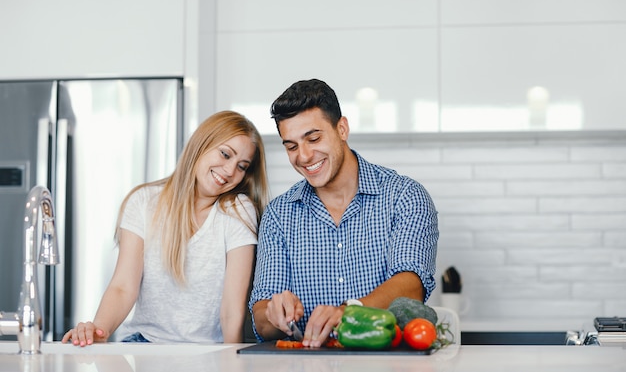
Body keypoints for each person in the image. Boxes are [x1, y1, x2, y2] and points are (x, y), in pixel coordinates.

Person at [249, 79, 439, 347]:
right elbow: (261, 318)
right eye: (291, 146)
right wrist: (274, 313)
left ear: (342, 128)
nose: (303, 156)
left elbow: (411, 285)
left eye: (313, 138)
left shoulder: (404, 197)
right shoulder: (279, 215)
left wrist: (348, 310)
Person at [62, 110, 270, 345]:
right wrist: (97, 334)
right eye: (225, 154)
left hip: (207, 353)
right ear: (201, 145)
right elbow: (122, 287)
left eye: (242, 166)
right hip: (145, 344)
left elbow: (232, 309)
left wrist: (232, 362)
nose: (231, 171)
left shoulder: (238, 210)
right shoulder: (143, 201)